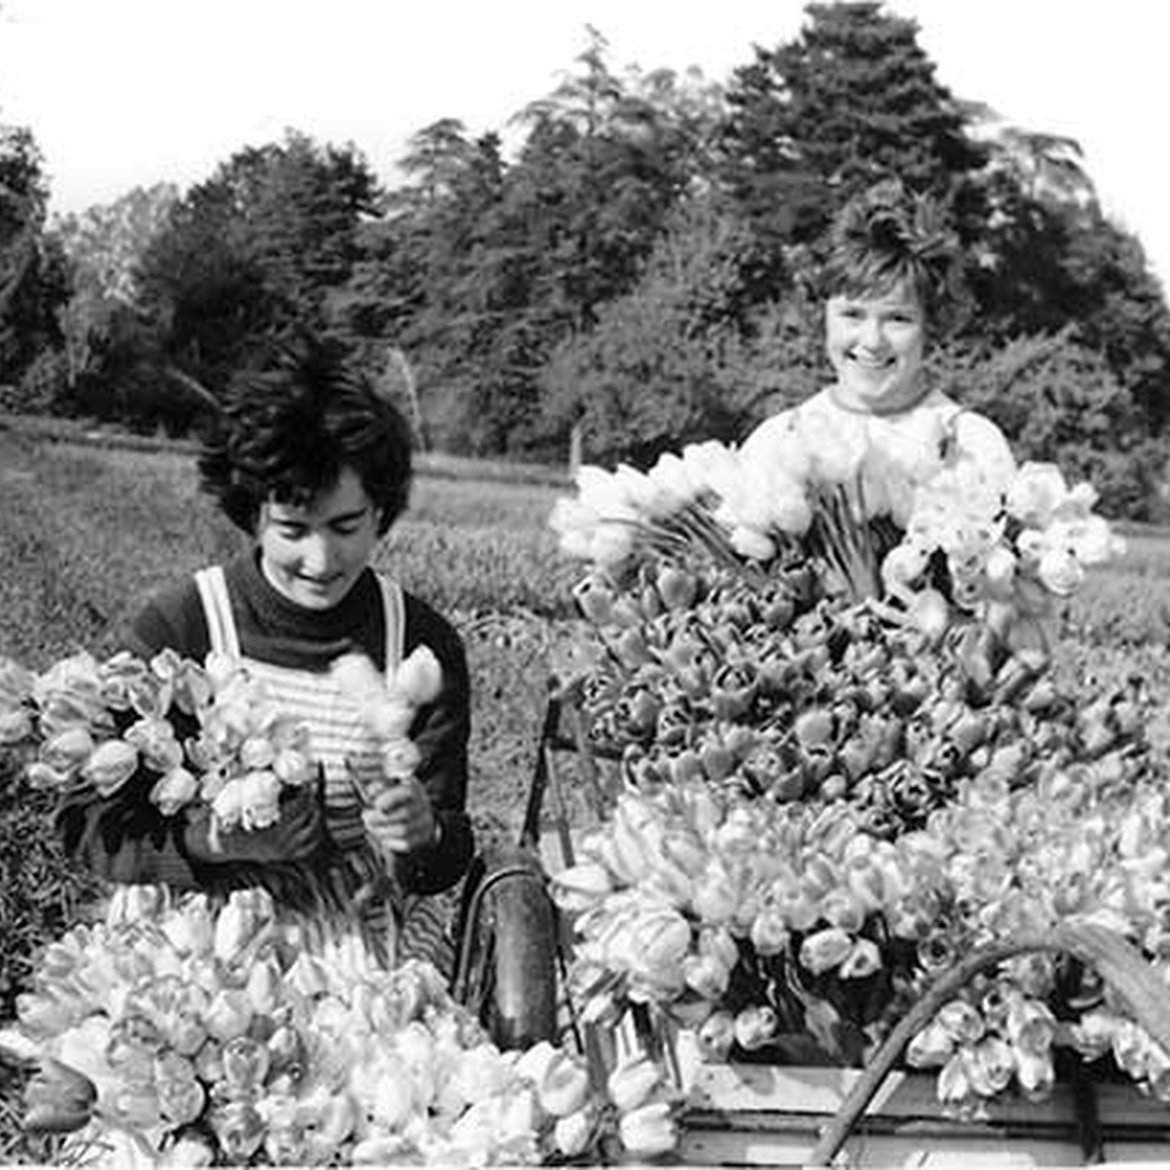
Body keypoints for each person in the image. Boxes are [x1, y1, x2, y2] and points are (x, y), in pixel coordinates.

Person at [57, 335, 474, 972]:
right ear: (252, 512)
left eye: (345, 527)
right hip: (195, 940)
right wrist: (208, 843)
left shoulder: (417, 643)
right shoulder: (186, 624)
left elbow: (446, 856)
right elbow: (85, 825)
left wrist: (424, 834)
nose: (321, 560)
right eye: (293, 530)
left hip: (356, 942)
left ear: (380, 511)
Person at [740, 178, 1016, 494]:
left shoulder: (973, 446)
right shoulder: (776, 443)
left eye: (897, 319)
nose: (872, 341)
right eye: (853, 315)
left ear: (931, 324)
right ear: (823, 315)